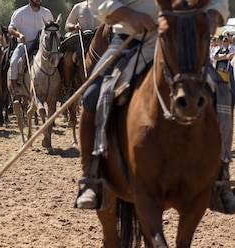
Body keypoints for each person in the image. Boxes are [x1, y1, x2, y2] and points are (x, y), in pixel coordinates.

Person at [76, 0, 233, 211]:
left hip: (181, 39)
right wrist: (129, 16)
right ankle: (91, 175)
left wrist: (213, 14)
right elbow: (99, 2)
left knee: (222, 91)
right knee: (94, 93)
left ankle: (220, 177)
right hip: (131, 38)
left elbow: (217, 1)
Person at [7, 0, 54, 102]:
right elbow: (10, 28)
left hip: (43, 46)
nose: (39, 0)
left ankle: (62, 89)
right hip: (25, 44)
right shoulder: (20, 12)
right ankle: (16, 92)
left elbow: (52, 28)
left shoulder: (47, 13)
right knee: (14, 63)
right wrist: (19, 35)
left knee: (58, 60)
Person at [60, 1, 100, 101]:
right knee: (67, 58)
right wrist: (74, 27)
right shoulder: (78, 7)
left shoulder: (104, 4)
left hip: (99, 41)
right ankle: (69, 87)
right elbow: (67, 25)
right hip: (81, 40)